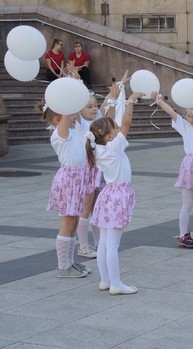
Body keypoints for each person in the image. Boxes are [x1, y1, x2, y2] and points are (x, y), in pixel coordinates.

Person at [86, 74, 143, 295]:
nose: (118, 130)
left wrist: (114, 98)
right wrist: (130, 102)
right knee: (113, 244)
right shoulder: (113, 147)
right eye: (114, 130)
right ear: (109, 136)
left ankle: (105, 280)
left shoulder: (99, 147)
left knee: (104, 242)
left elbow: (106, 122)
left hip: (109, 195)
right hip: (117, 196)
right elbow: (126, 123)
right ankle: (116, 284)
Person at [153, 92, 193, 249]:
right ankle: (183, 235)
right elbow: (172, 113)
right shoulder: (185, 126)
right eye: (188, 115)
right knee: (187, 204)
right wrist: (160, 101)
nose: (190, 119)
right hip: (189, 166)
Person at [38, 101, 91, 278]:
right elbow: (68, 112)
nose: (73, 116)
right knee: (67, 223)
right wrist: (66, 98)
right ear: (58, 118)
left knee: (74, 222)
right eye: (68, 115)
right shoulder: (60, 134)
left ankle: (70, 261)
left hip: (77, 180)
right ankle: (63, 266)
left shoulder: (73, 132)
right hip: (69, 181)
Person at [75, 94, 104, 259]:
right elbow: (74, 110)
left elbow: (107, 106)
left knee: (97, 208)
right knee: (85, 208)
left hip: (97, 169)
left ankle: (99, 243)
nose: (94, 108)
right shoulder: (80, 124)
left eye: (95, 105)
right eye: (89, 106)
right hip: (86, 170)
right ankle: (83, 246)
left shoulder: (97, 121)